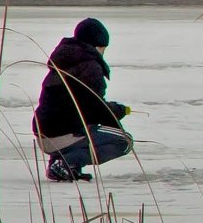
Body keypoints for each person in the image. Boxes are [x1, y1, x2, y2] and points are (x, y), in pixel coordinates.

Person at [32, 18, 134, 182]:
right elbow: (97, 109)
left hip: (43, 133)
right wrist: (118, 111)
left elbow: (80, 104)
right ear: (96, 45)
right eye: (103, 48)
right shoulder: (90, 66)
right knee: (124, 141)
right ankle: (66, 163)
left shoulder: (62, 63)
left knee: (80, 123)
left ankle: (62, 166)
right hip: (64, 135)